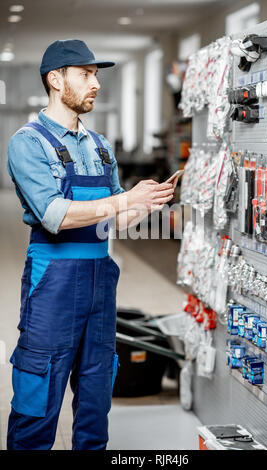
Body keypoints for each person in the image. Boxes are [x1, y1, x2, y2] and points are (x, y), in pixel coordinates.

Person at [6, 39, 176, 450]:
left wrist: (149, 204)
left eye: (96, 75)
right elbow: (55, 215)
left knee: (97, 392)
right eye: (85, 74)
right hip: (54, 281)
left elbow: (112, 222)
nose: (95, 83)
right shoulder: (28, 143)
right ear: (55, 80)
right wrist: (124, 198)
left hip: (101, 281)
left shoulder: (99, 147)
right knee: (38, 392)